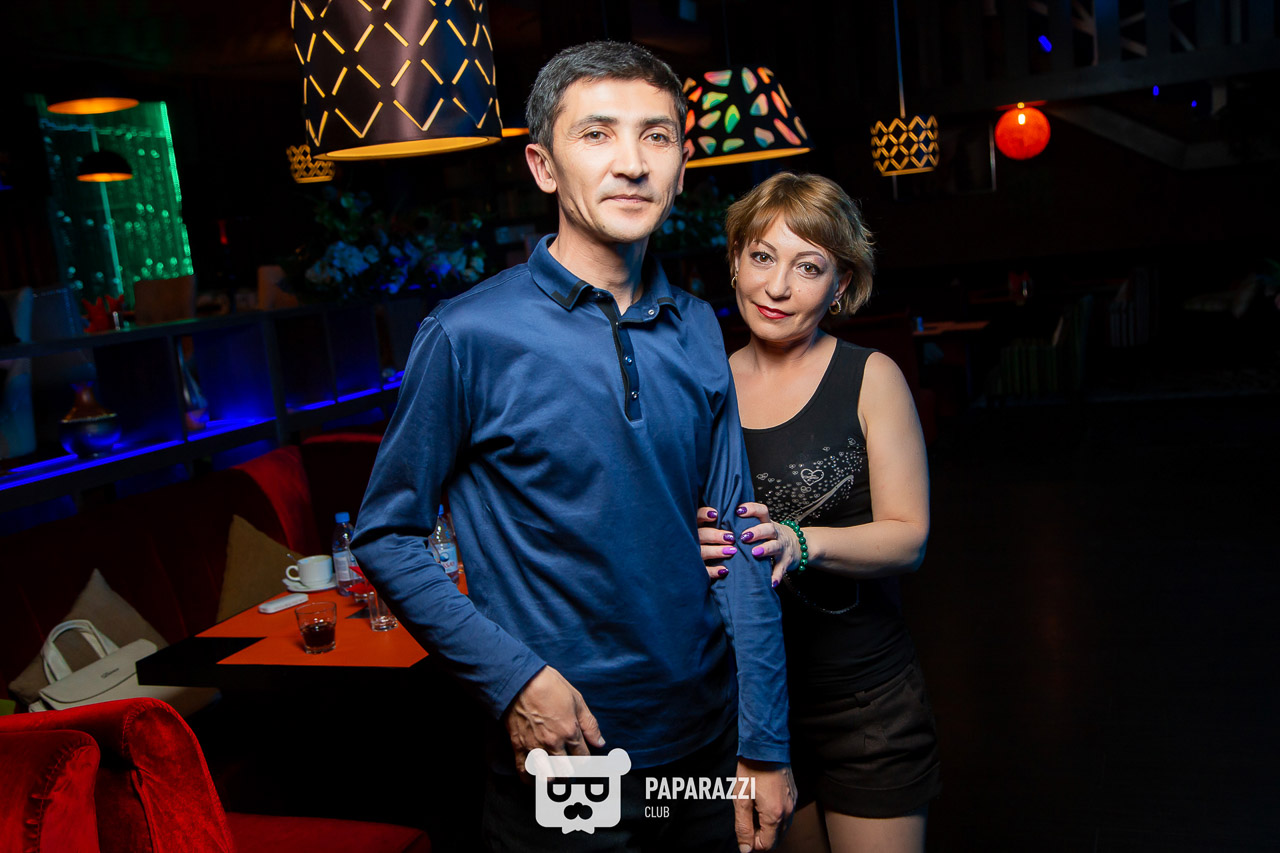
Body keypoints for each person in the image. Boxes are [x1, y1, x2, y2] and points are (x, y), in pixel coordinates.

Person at [352, 41, 794, 852]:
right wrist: (514, 680)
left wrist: (765, 741)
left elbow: (740, 536)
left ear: (681, 165)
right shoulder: (467, 334)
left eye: (656, 135)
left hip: (704, 743)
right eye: (597, 134)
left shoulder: (699, 326)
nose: (632, 162)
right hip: (568, 749)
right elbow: (386, 534)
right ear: (543, 166)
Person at [697, 172, 941, 852]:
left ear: (839, 285)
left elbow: (909, 537)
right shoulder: (704, 388)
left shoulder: (871, 376)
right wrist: (690, 544)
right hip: (752, 710)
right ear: (736, 261)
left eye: (807, 267)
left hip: (865, 701)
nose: (776, 287)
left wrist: (799, 542)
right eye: (761, 256)